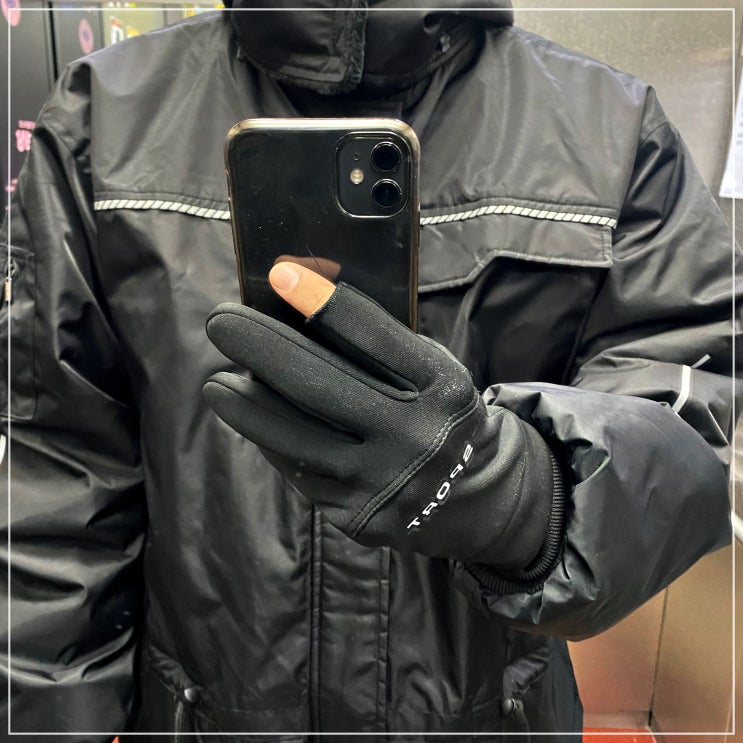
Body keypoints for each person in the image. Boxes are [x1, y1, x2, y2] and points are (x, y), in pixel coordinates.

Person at [1, 1, 739, 738]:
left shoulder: (608, 127)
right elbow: (55, 472)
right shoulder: (104, 115)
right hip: (198, 712)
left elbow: (690, 401)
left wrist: (522, 498)